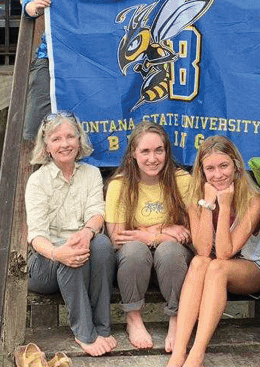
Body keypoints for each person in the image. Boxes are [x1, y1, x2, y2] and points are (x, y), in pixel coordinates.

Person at [21, 0, 132, 147]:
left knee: (100, 127)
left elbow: (128, 20)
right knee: (38, 127)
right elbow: (27, 5)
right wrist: (35, 5)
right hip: (54, 60)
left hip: (99, 64)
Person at [166, 136, 260, 367]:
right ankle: (179, 352)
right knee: (199, 262)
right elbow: (202, 250)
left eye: (224, 166)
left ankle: (197, 353)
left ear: (236, 166)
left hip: (251, 268)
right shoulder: (196, 199)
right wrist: (208, 205)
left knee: (216, 266)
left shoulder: (254, 200)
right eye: (210, 169)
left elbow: (224, 252)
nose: (218, 174)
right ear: (201, 172)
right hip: (211, 267)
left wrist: (225, 206)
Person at [25, 111, 117, 356]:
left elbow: (97, 213)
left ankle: (102, 326)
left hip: (81, 252)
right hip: (45, 262)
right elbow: (36, 236)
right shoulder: (37, 181)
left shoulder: (91, 173)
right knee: (71, 255)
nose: (64, 144)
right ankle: (84, 333)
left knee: (102, 246)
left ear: (79, 140)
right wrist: (58, 252)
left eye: (70, 137)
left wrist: (87, 233)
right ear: (46, 146)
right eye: (56, 139)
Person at [106, 122, 195, 352]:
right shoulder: (120, 184)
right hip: (135, 262)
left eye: (159, 150)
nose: (152, 158)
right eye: (145, 151)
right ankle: (133, 319)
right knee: (135, 249)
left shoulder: (182, 179)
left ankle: (177, 319)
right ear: (133, 154)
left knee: (170, 250)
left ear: (167, 152)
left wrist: (143, 232)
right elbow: (117, 237)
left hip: (171, 260)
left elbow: (190, 232)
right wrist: (159, 232)